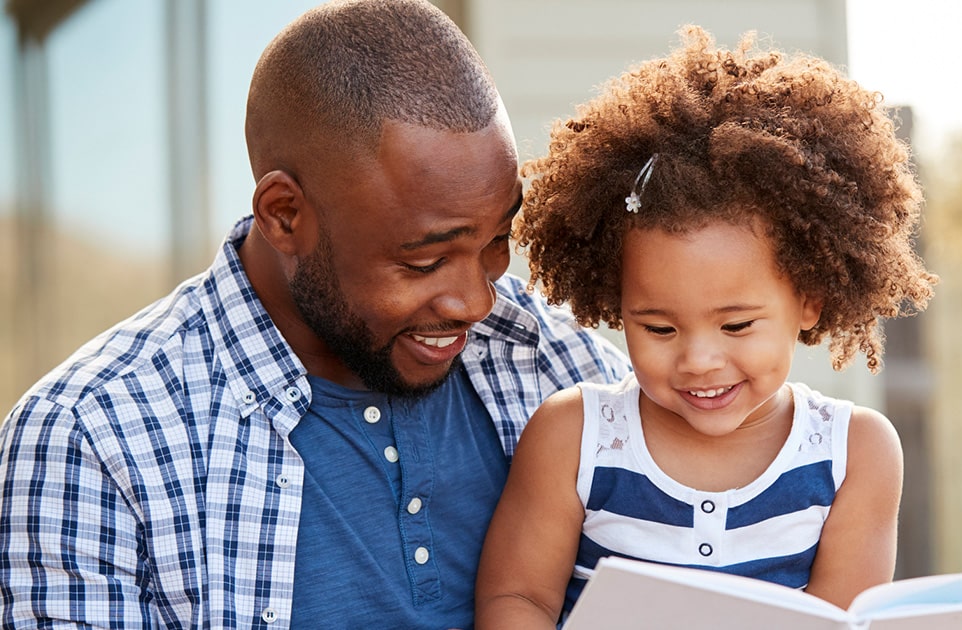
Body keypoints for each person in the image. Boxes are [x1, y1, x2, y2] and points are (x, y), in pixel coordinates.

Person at [0, 1, 629, 627]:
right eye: (425, 261)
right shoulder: (91, 440)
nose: (477, 301)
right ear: (284, 215)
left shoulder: (558, 364)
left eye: (496, 240)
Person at [474, 26, 938, 628]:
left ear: (810, 299)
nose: (698, 360)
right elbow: (519, 600)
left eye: (737, 325)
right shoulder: (573, 438)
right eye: (660, 329)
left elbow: (839, 619)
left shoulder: (855, 454)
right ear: (618, 304)